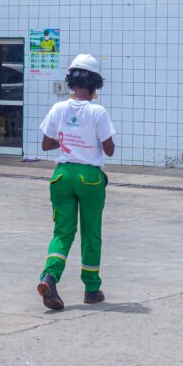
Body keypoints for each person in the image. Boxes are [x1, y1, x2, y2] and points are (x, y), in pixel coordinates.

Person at [36, 53, 116, 311]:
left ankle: (50, 276)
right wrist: (89, 140)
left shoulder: (58, 108)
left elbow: (46, 144)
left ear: (71, 81)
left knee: (62, 232)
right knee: (91, 233)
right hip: (89, 178)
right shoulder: (97, 111)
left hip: (62, 175)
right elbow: (109, 150)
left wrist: (68, 140)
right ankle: (91, 290)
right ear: (95, 84)